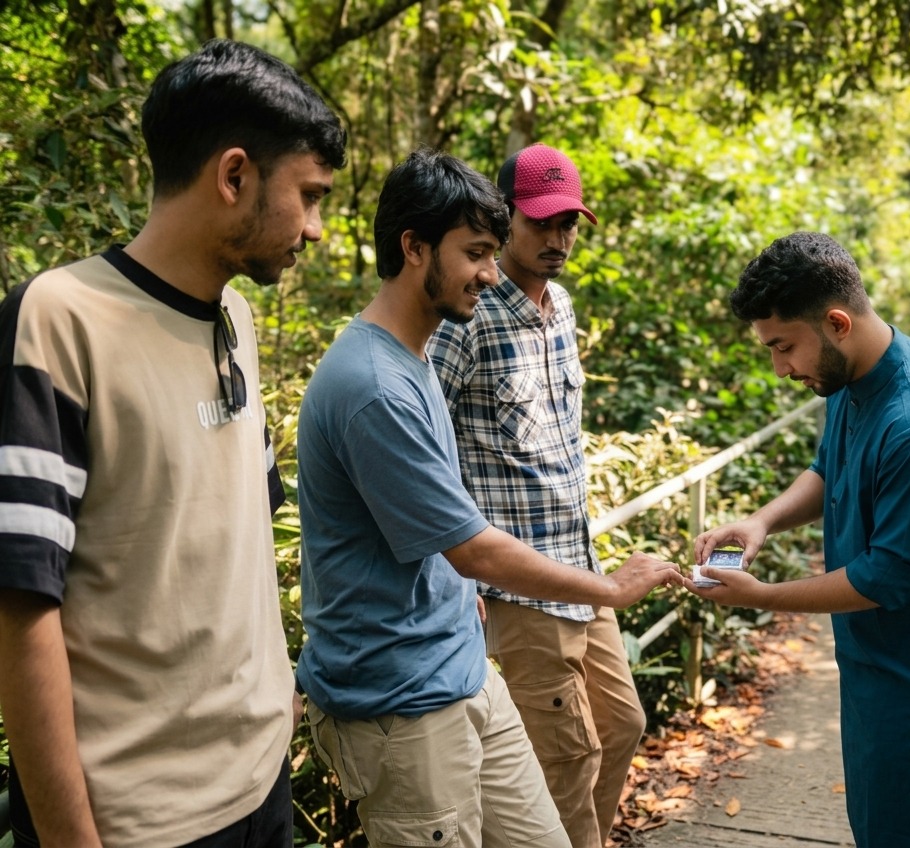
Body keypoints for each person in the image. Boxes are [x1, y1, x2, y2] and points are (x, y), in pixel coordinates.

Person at [0, 39, 346, 847]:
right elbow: (19, 606)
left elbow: (241, 535)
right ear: (235, 177)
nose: (318, 228)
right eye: (310, 196)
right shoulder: (59, 319)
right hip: (141, 823)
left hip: (260, 784)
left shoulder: (239, 319)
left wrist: (276, 698)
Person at [294, 148, 681, 848]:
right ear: (415, 248)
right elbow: (468, 541)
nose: (490, 272)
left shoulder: (412, 354)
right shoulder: (376, 386)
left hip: (461, 665)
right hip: (400, 698)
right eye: (476, 252)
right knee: (569, 760)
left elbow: (440, 515)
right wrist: (611, 588)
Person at [686, 232, 910, 848]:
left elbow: (884, 579)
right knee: (877, 819)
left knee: (908, 829)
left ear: (837, 322)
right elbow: (830, 468)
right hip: (875, 655)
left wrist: (760, 596)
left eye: (784, 347)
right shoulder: (850, 375)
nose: (781, 368)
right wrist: (761, 521)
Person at [424, 143, 641, 848]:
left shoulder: (561, 309)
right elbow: (425, 440)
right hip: (518, 586)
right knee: (564, 760)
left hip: (580, 567)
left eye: (569, 224)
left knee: (622, 725)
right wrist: (457, 571)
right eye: (541, 223)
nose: (556, 240)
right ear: (506, 216)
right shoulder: (467, 317)